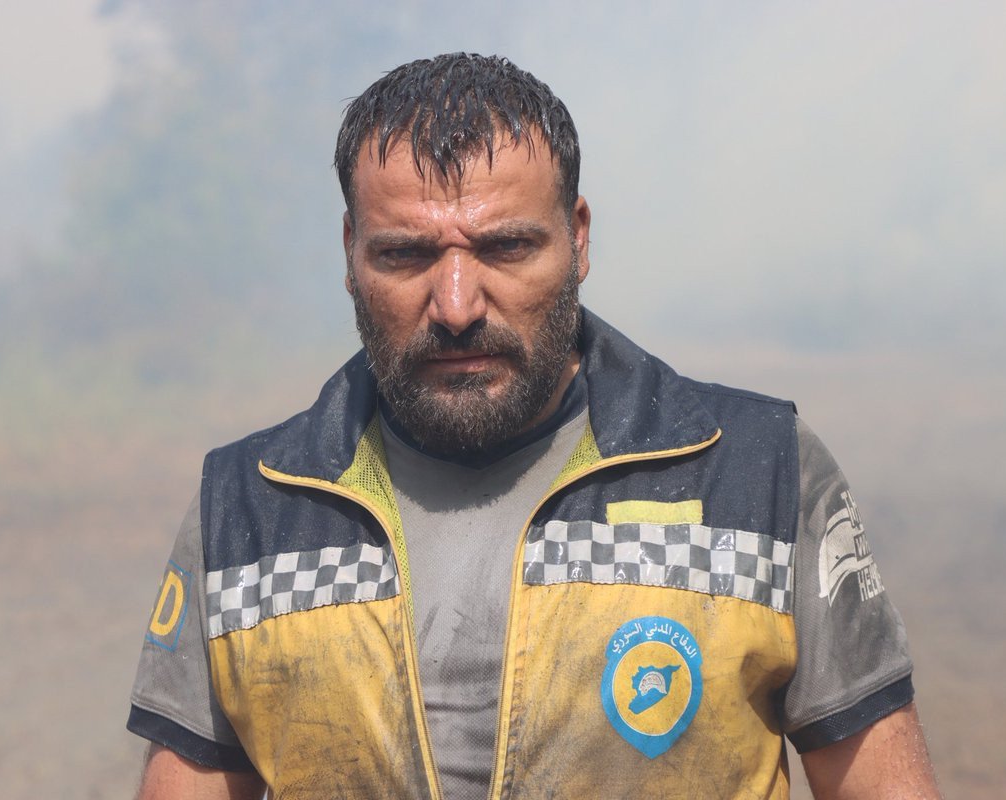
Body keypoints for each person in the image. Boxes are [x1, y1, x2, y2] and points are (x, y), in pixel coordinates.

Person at [127, 53, 939, 799]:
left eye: (506, 248)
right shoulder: (248, 509)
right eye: (406, 255)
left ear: (578, 239)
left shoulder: (757, 473)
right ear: (350, 253)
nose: (455, 305)